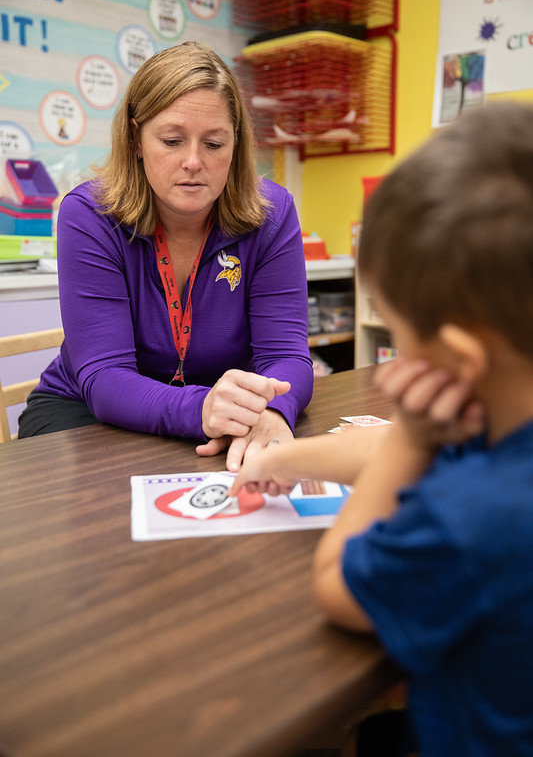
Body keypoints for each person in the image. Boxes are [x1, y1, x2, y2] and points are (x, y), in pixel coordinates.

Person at [231, 101, 533, 755]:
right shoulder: (507, 420)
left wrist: (409, 437)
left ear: (460, 355)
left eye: (394, 332)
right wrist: (281, 458)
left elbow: (335, 585)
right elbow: (387, 449)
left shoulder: (471, 518)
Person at [18, 42, 313, 470]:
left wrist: (271, 413)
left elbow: (286, 353)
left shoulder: (273, 213)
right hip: (88, 414)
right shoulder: (88, 215)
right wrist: (202, 410)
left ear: (237, 143)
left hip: (224, 415)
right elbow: (104, 378)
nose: (193, 162)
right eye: (172, 141)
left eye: (214, 144)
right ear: (136, 139)